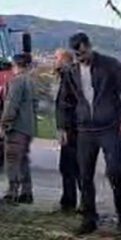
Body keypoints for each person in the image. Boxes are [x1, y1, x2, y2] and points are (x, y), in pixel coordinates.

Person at [58, 32, 121, 235]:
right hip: (84, 129)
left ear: (90, 46)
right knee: (84, 176)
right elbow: (64, 102)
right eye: (77, 55)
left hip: (109, 127)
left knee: (115, 172)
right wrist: (63, 127)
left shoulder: (110, 65)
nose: (81, 58)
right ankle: (89, 218)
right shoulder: (71, 71)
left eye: (83, 53)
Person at [0, 53, 37, 204]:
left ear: (15, 64)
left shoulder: (17, 81)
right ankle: (26, 192)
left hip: (16, 127)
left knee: (12, 160)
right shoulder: (31, 81)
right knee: (23, 160)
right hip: (28, 127)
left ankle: (12, 192)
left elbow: (11, 104)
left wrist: (4, 124)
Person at [53, 49, 80, 212]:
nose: (54, 61)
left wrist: (63, 127)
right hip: (72, 128)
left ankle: (73, 203)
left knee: (73, 167)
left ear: (64, 59)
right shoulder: (66, 76)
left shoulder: (70, 76)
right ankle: (68, 200)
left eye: (56, 58)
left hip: (74, 129)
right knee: (68, 167)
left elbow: (66, 105)